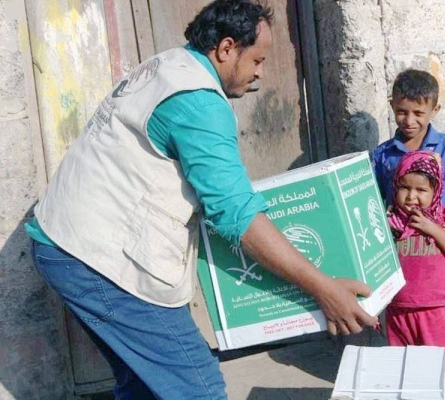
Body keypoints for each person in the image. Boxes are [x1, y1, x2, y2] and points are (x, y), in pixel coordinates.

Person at [25, 1, 377, 398]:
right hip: (98, 259)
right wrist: (323, 288)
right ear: (227, 49)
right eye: (257, 59)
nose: (260, 72)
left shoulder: (169, 65)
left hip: (63, 242)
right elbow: (235, 213)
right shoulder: (198, 101)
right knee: (199, 388)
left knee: (144, 385)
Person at [370, 69, 445, 348]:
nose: (409, 120)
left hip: (441, 252)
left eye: (418, 113)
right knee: (406, 340)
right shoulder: (383, 155)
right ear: (392, 104)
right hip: (404, 258)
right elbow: (378, 202)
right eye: (402, 111)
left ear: (434, 110)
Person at [385, 150, 445, 346]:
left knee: (436, 365)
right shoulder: (389, 221)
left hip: (432, 310)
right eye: (404, 188)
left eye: (421, 190)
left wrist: (432, 229)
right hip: (397, 309)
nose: (411, 196)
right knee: (402, 366)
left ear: (436, 190)